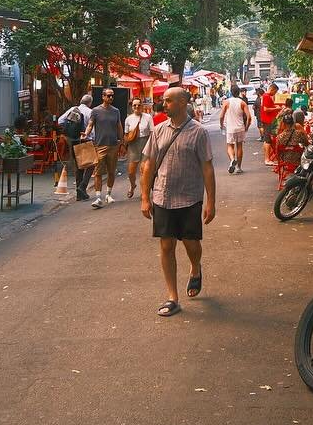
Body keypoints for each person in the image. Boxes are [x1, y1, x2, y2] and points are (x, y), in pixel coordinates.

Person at [140, 86, 216, 318]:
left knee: (191, 244)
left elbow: (207, 167)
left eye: (169, 101)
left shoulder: (198, 132)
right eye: (164, 100)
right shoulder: (159, 130)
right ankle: (172, 296)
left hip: (190, 197)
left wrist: (211, 201)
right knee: (166, 245)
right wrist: (145, 197)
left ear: (183, 103)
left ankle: (195, 267)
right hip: (163, 195)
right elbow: (149, 165)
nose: (164, 104)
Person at [86, 88, 124, 208]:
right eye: (108, 96)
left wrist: (122, 142)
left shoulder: (116, 111)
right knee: (98, 172)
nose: (111, 98)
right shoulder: (96, 111)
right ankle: (98, 197)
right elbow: (90, 124)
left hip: (113, 145)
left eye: (112, 96)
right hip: (100, 145)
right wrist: (86, 133)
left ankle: (108, 194)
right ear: (103, 97)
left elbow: (119, 126)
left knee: (111, 171)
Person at [59, 98, 93, 201]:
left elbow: (60, 121)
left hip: (73, 141)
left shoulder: (73, 109)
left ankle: (79, 195)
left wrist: (70, 131)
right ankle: (82, 187)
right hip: (85, 140)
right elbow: (92, 129)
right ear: (89, 103)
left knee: (78, 167)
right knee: (91, 164)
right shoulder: (90, 112)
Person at [124, 99, 152, 198]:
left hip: (146, 144)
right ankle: (132, 186)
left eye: (139, 105)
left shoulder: (148, 117)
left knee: (143, 170)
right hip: (133, 146)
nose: (137, 107)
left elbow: (152, 133)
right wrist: (124, 146)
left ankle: (143, 192)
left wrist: (151, 146)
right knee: (131, 172)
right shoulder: (128, 119)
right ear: (132, 106)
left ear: (142, 106)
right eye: (134, 105)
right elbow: (126, 134)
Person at [219, 85, 251, 175]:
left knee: (230, 146)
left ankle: (233, 159)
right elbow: (249, 117)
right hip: (240, 127)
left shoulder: (226, 102)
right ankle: (239, 167)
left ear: (231, 92)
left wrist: (221, 125)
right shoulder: (242, 102)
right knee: (239, 147)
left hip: (230, 128)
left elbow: (221, 116)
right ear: (239, 92)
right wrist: (246, 128)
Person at [258, 83, 282, 166]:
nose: (274, 94)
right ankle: (267, 159)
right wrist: (276, 108)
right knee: (267, 140)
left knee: (266, 139)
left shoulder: (265, 96)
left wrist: (275, 106)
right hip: (268, 120)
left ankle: (267, 157)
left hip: (266, 120)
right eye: (275, 92)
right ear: (272, 89)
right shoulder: (266, 96)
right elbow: (266, 109)